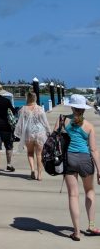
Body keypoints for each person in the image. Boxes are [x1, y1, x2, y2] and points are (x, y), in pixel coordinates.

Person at [59, 94, 100, 240]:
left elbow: (53, 139)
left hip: (69, 159)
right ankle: (92, 225)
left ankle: (76, 232)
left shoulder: (63, 120)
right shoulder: (89, 126)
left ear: (71, 106)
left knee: (73, 195)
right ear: (84, 109)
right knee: (89, 191)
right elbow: (94, 150)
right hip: (85, 160)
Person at [14, 90, 51, 180]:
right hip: (39, 133)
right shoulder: (39, 109)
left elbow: (21, 122)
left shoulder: (22, 109)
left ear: (27, 98)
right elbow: (45, 122)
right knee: (39, 155)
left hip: (28, 133)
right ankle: (40, 175)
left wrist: (20, 133)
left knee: (30, 153)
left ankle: (32, 170)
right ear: (35, 98)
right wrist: (49, 131)